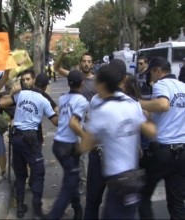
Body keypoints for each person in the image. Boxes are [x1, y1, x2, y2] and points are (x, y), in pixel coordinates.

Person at [79, 64, 156, 219]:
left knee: (95, 202)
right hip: (130, 174)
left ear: (102, 84)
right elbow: (151, 131)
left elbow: (86, 143)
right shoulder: (132, 103)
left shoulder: (102, 107)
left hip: (110, 168)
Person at [0, 69, 58, 219]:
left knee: (20, 174)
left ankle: (20, 208)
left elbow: (1, 103)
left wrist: (12, 94)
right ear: (45, 87)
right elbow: (55, 121)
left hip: (16, 137)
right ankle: (37, 210)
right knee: (38, 172)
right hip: (30, 139)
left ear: (34, 82)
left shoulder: (22, 95)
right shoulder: (44, 100)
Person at [138, 57, 185, 219]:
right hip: (182, 152)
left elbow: (163, 106)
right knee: (177, 202)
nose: (151, 76)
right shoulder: (183, 87)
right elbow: (155, 114)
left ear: (158, 70)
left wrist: (139, 103)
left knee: (143, 195)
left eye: (151, 72)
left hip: (163, 151)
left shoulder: (161, 85)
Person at [84, 59, 127, 220]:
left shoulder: (96, 99)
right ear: (124, 79)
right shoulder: (130, 102)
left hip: (98, 155)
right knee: (117, 205)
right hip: (121, 159)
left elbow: (90, 128)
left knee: (93, 201)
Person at [48, 70, 88, 220]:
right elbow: (74, 123)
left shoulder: (63, 98)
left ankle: (78, 211)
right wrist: (86, 137)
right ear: (82, 83)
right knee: (69, 185)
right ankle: (55, 215)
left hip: (59, 145)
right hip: (67, 147)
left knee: (72, 180)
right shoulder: (82, 101)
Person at [54, 49, 96, 193]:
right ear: (80, 63)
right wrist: (63, 54)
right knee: (79, 154)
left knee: (90, 154)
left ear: (92, 64)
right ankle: (79, 181)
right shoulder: (75, 76)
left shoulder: (96, 81)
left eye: (89, 62)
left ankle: (87, 181)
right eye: (84, 61)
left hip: (90, 122)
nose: (86, 64)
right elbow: (56, 68)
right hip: (75, 123)